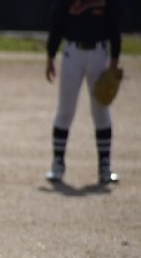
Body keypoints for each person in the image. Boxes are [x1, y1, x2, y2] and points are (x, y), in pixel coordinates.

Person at [45, 0, 123, 185]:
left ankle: (105, 166)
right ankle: (57, 164)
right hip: (72, 52)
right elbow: (57, 22)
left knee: (100, 109)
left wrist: (114, 58)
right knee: (66, 110)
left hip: (99, 53)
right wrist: (50, 56)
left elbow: (114, 24)